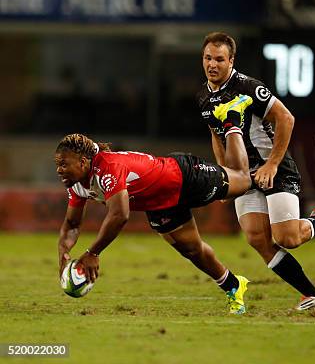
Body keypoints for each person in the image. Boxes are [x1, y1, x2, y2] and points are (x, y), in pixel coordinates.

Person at [196, 31, 315, 311]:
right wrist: (225, 175)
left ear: (231, 61)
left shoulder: (249, 87)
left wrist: (272, 164)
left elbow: (286, 118)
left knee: (287, 238)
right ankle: (313, 296)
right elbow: (217, 135)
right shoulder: (204, 97)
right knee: (256, 238)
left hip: (275, 169)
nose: (212, 64)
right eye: (208, 58)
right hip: (244, 175)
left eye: (219, 59)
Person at [55, 104, 253, 314]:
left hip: (183, 177)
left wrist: (93, 252)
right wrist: (63, 252)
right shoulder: (76, 184)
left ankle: (231, 118)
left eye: (64, 164)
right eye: (57, 164)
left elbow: (120, 214)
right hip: (160, 205)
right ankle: (234, 286)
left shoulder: (108, 168)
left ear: (83, 162)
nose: (59, 170)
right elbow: (72, 224)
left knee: (243, 179)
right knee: (192, 250)